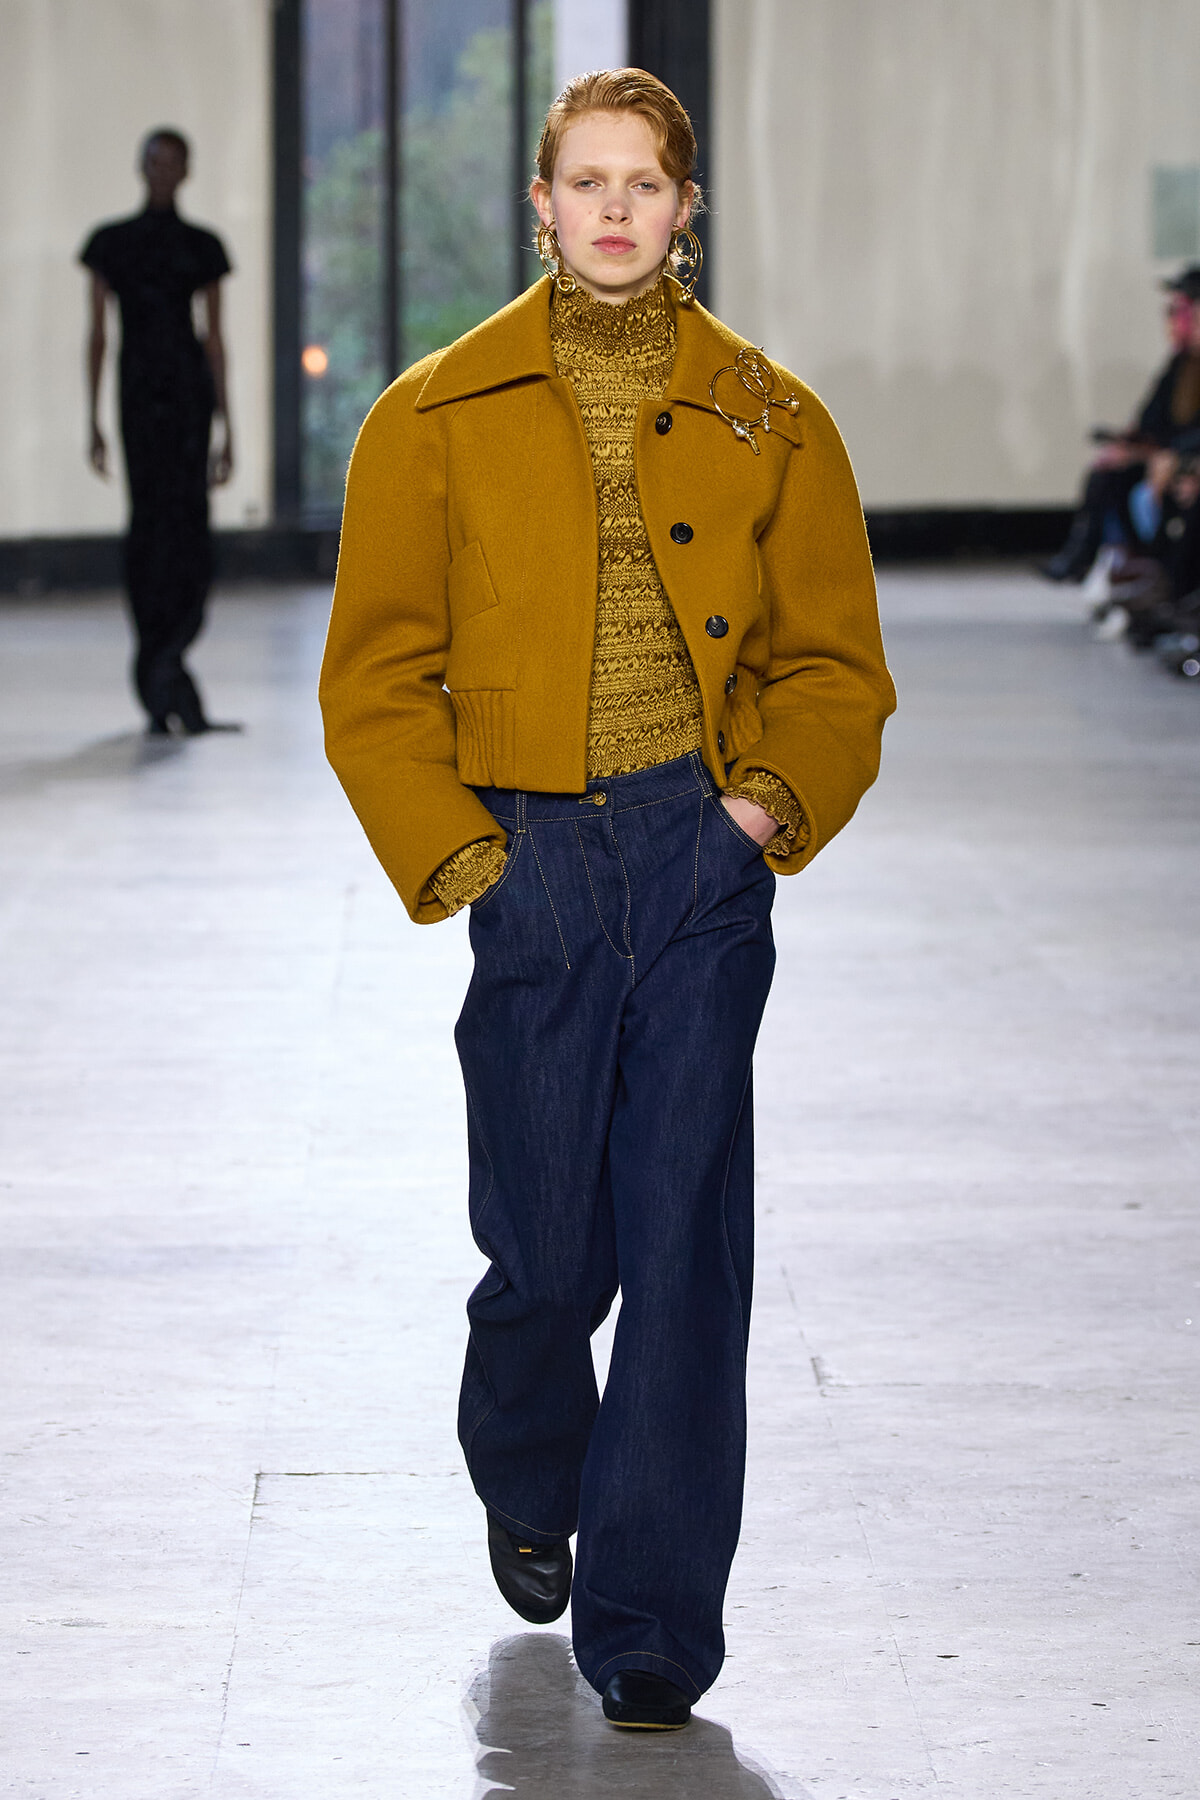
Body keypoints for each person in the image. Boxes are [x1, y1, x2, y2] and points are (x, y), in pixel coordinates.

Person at [320, 69, 895, 1730]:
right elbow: (375, 674)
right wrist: (470, 855)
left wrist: (755, 810)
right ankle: (525, 1457)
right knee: (547, 1245)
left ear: (685, 206)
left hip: (701, 856)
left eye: (647, 181)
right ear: (543, 206)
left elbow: (834, 662)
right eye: (589, 181)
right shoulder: (433, 415)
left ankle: (648, 1626)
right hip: (537, 858)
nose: (618, 207)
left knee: (685, 1243)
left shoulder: (774, 417)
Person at [81, 128, 239, 735]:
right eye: (155, 161)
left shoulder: (201, 247)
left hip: (186, 393)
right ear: (141, 167)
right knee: (150, 524)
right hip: (139, 393)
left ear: (186, 170)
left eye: (172, 162)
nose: (163, 171)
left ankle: (168, 666)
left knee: (188, 524)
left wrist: (227, 425)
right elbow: (98, 336)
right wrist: (92, 419)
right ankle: (160, 671)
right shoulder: (112, 245)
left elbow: (216, 340)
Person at [1040, 267, 1200, 583]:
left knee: (1173, 487)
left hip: (1182, 459)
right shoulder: (1180, 366)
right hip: (1169, 456)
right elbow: (1152, 419)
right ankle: (1111, 562)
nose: (1173, 321)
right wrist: (1130, 444)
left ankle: (1170, 581)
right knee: (1108, 473)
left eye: (1180, 312)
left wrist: (1173, 455)